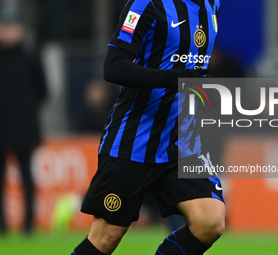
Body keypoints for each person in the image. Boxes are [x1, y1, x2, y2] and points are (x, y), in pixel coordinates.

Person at [71, 0, 225, 254]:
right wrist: (173, 79)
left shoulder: (213, 4)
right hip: (135, 138)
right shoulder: (147, 3)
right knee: (107, 236)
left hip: (182, 140)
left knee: (210, 221)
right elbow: (114, 66)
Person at [0, 17, 47, 234]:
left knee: (26, 176)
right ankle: (0, 225)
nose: (9, 34)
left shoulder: (30, 57)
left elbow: (42, 90)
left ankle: (29, 224)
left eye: (13, 29)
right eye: (5, 29)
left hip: (24, 127)